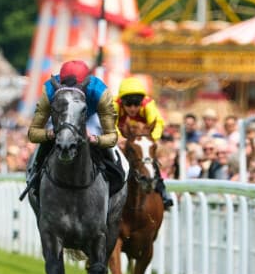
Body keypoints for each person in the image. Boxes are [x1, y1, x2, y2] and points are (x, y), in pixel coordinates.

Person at [26, 59, 123, 215]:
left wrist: (94, 139)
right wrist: (50, 134)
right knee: (44, 145)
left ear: (86, 83)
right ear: (60, 82)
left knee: (110, 150)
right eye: (66, 88)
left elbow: (112, 137)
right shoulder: (50, 89)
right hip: (60, 117)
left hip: (89, 118)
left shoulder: (100, 92)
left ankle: (116, 183)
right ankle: (34, 177)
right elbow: (33, 133)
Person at [114, 76, 174, 208]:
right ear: (121, 101)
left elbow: (158, 123)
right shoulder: (115, 104)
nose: (133, 108)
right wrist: (119, 138)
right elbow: (110, 124)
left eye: (136, 103)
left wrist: (150, 139)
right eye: (128, 104)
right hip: (121, 140)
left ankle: (163, 193)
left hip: (142, 141)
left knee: (151, 162)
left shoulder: (148, 104)